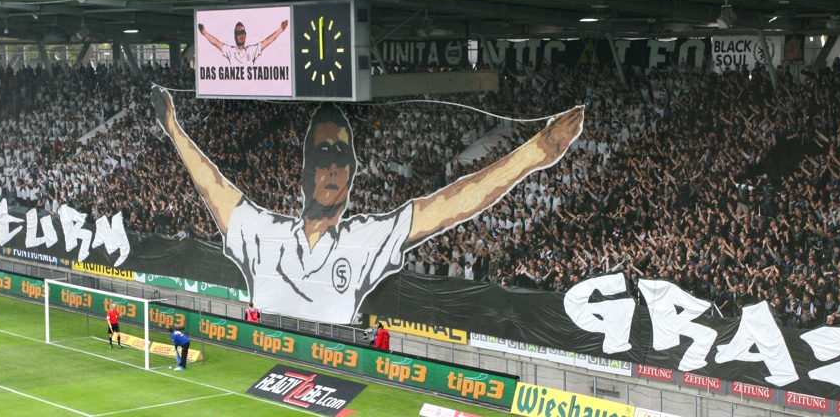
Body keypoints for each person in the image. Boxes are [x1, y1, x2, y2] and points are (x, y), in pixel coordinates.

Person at [152, 88, 584, 324]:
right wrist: (172, 126)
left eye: (342, 157)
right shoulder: (264, 232)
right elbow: (214, 186)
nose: (334, 166)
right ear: (305, 170)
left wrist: (535, 153)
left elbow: (449, 205)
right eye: (323, 154)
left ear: (354, 172)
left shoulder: (365, 238)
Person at [198, 20, 288, 65]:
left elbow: (267, 41)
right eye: (238, 33)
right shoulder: (230, 51)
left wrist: (280, 30)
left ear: (245, 35)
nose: (240, 35)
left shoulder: (251, 50)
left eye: (242, 32)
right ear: (235, 35)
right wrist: (204, 33)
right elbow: (216, 42)